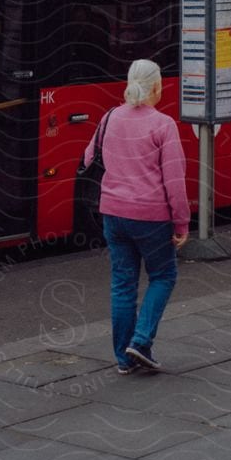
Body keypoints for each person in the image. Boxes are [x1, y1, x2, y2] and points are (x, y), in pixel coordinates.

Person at [82, 58, 189, 374]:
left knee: (123, 284)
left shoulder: (110, 117)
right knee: (163, 276)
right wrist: (181, 223)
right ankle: (140, 341)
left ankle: (123, 359)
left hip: (113, 213)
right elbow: (175, 181)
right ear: (158, 86)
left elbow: (89, 157)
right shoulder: (163, 124)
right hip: (150, 217)